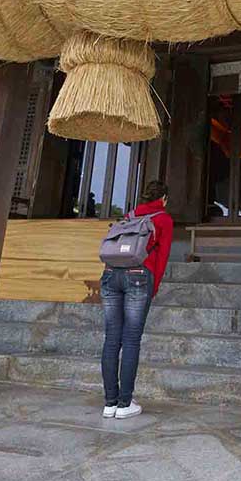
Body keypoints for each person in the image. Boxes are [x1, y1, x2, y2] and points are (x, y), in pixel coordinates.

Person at [100, 179, 173, 419]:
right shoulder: (163, 219)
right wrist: (153, 287)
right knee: (131, 339)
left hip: (110, 274)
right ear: (163, 198)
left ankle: (109, 403)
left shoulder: (130, 216)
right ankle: (124, 404)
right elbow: (161, 259)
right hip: (139, 277)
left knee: (112, 339)